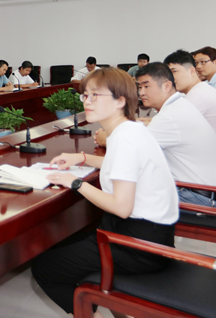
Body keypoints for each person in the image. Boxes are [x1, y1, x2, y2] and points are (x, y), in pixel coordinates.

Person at [32, 67, 178, 317]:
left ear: (120, 100)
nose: (87, 102)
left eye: (95, 95)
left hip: (137, 246)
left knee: (44, 268)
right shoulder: (131, 129)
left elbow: (122, 207)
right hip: (151, 237)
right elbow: (121, 165)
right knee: (62, 244)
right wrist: (81, 158)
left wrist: (76, 183)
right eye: (85, 95)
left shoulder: (124, 139)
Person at [135, 62, 216, 208]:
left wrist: (106, 139)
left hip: (201, 200)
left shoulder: (169, 116)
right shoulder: (179, 105)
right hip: (206, 193)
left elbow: (133, 151)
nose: (141, 93)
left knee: (126, 197)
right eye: (139, 87)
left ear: (166, 86)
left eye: (146, 86)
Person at [164, 50, 216, 157]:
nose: (170, 79)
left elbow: (170, 127)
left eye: (174, 72)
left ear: (191, 71)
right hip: (212, 156)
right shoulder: (200, 89)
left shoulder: (198, 94)